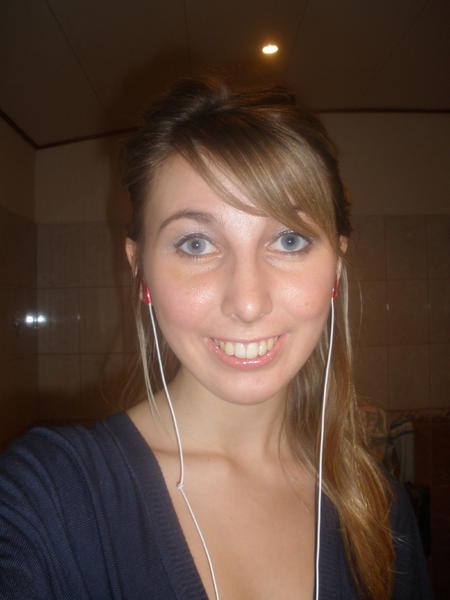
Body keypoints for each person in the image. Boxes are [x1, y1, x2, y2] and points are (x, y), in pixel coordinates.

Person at [0, 78, 432, 600]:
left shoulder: (379, 510)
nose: (247, 302)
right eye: (196, 244)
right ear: (141, 269)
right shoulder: (47, 501)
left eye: (289, 240)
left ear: (336, 265)